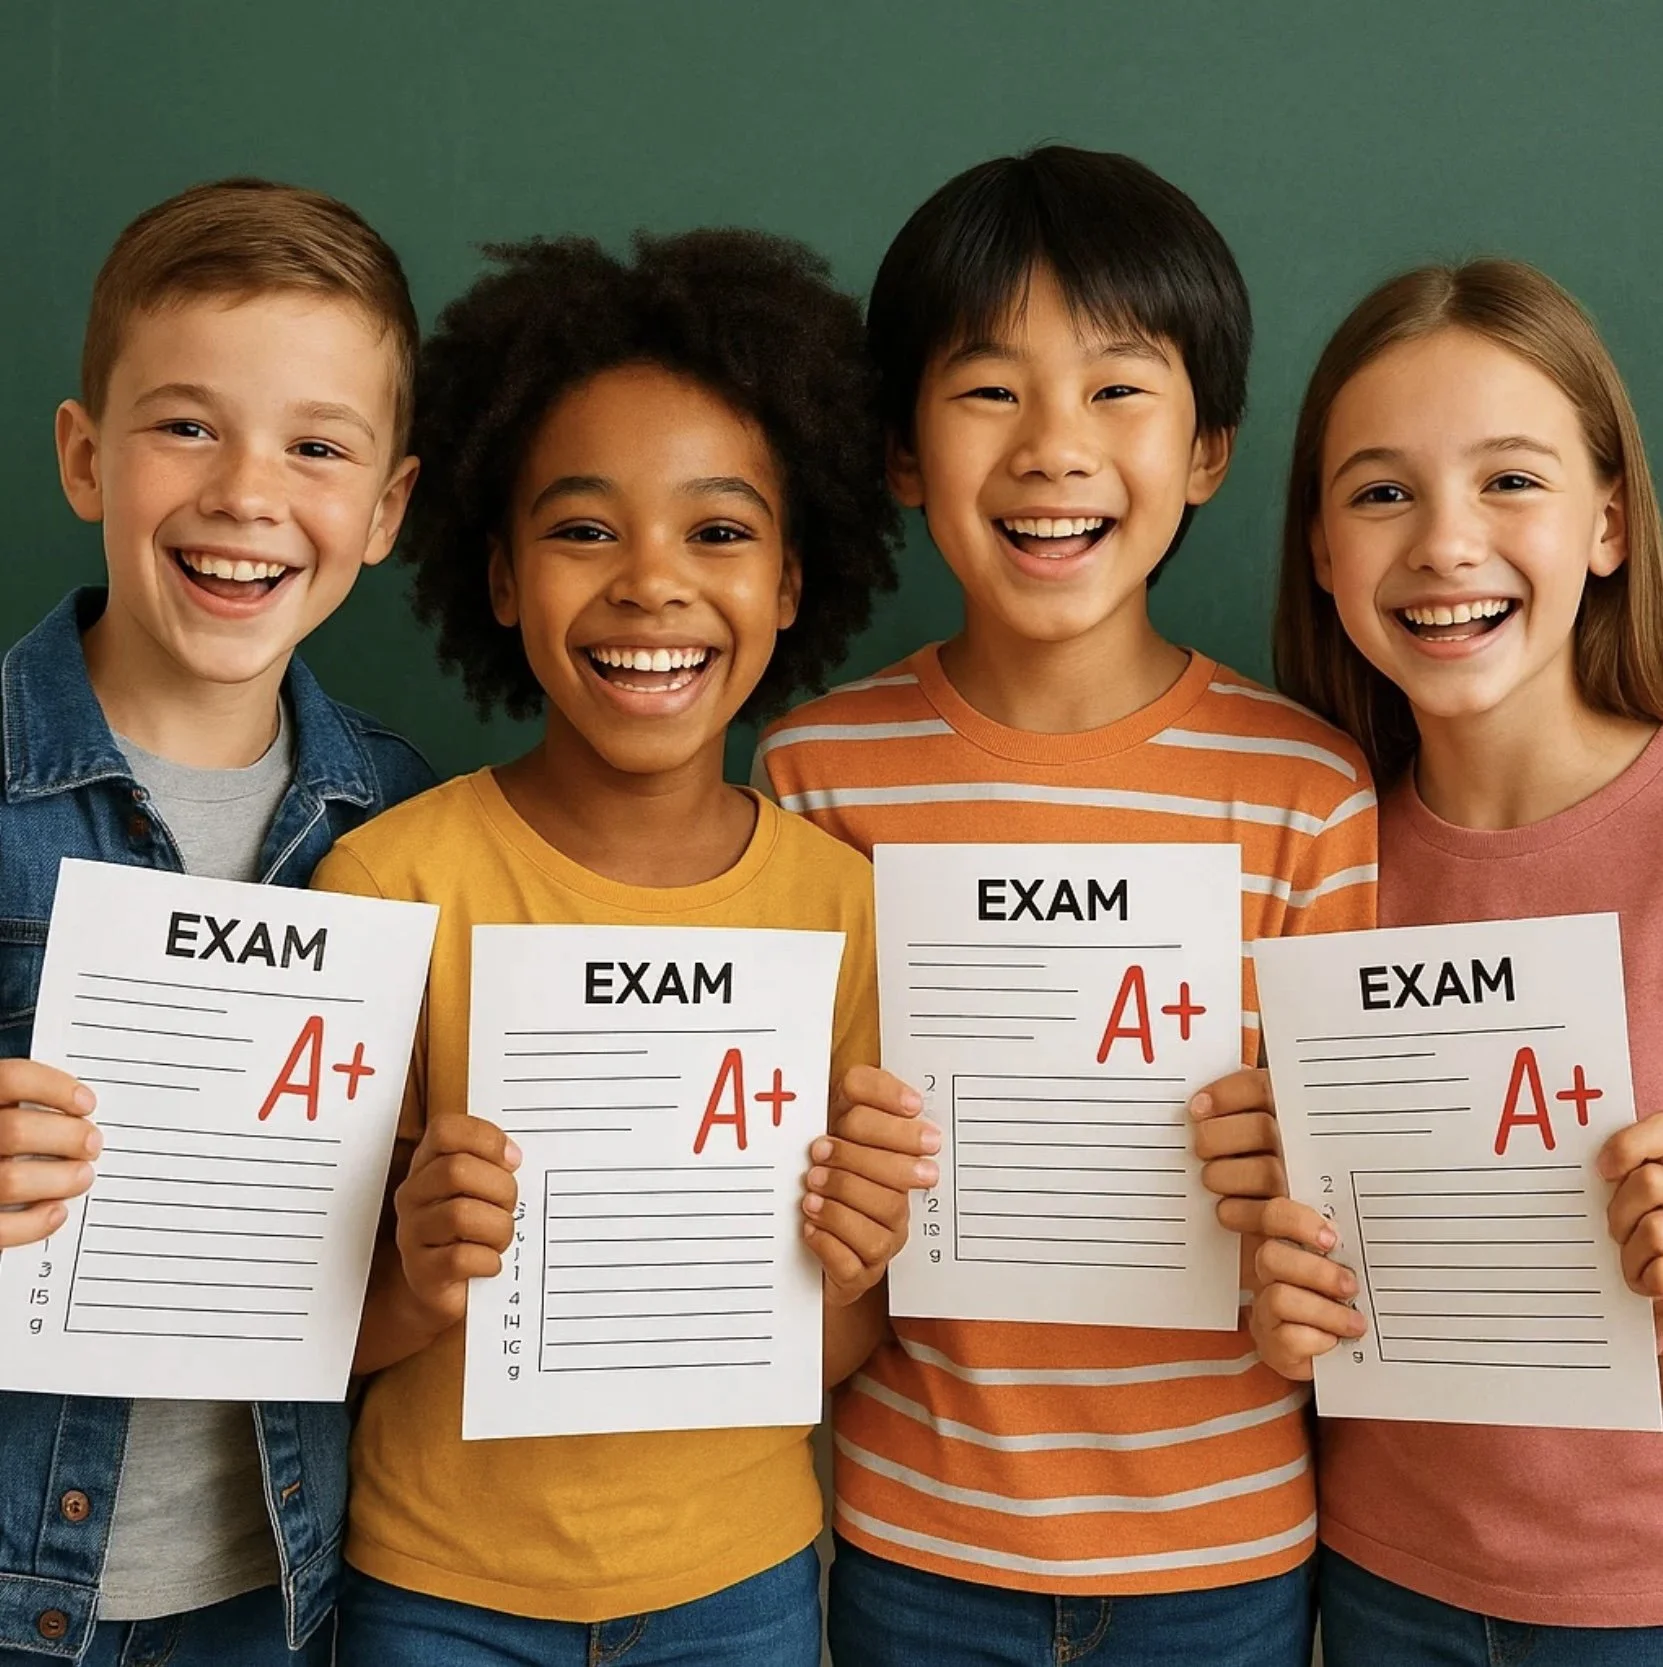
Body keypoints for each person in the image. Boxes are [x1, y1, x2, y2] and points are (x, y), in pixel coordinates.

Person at [756, 145, 1377, 1667]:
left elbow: (1357, 1213)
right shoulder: (812, 769)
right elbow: (769, 1176)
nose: (1051, 447)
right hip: (910, 1534)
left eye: (1116, 389)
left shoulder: (1306, 789)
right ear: (901, 447)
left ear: (1209, 445)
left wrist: (1298, 1178)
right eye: (985, 390)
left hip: (1224, 1540)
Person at [313, 228, 934, 1665]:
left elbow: (835, 1353)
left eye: (718, 531)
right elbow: (319, 1337)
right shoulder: (391, 882)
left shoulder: (840, 904)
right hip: (434, 1589)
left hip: (743, 1586)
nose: (651, 583)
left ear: (793, 580)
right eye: (584, 528)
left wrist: (851, 1265)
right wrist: (415, 1267)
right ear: (500, 576)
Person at [1195, 258, 1663, 1664]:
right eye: (1380, 490)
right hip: (1377, 1585)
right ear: (1321, 553)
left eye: (1508, 481)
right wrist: (1266, 1288)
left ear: (1608, 523)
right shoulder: (1302, 866)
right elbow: (1283, 1278)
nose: (1445, 542)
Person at [0, 178, 429, 1666]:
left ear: (383, 512)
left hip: (279, 1596)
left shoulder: (411, 829)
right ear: (82, 457)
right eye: (187, 424)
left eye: (315, 446)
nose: (248, 490)